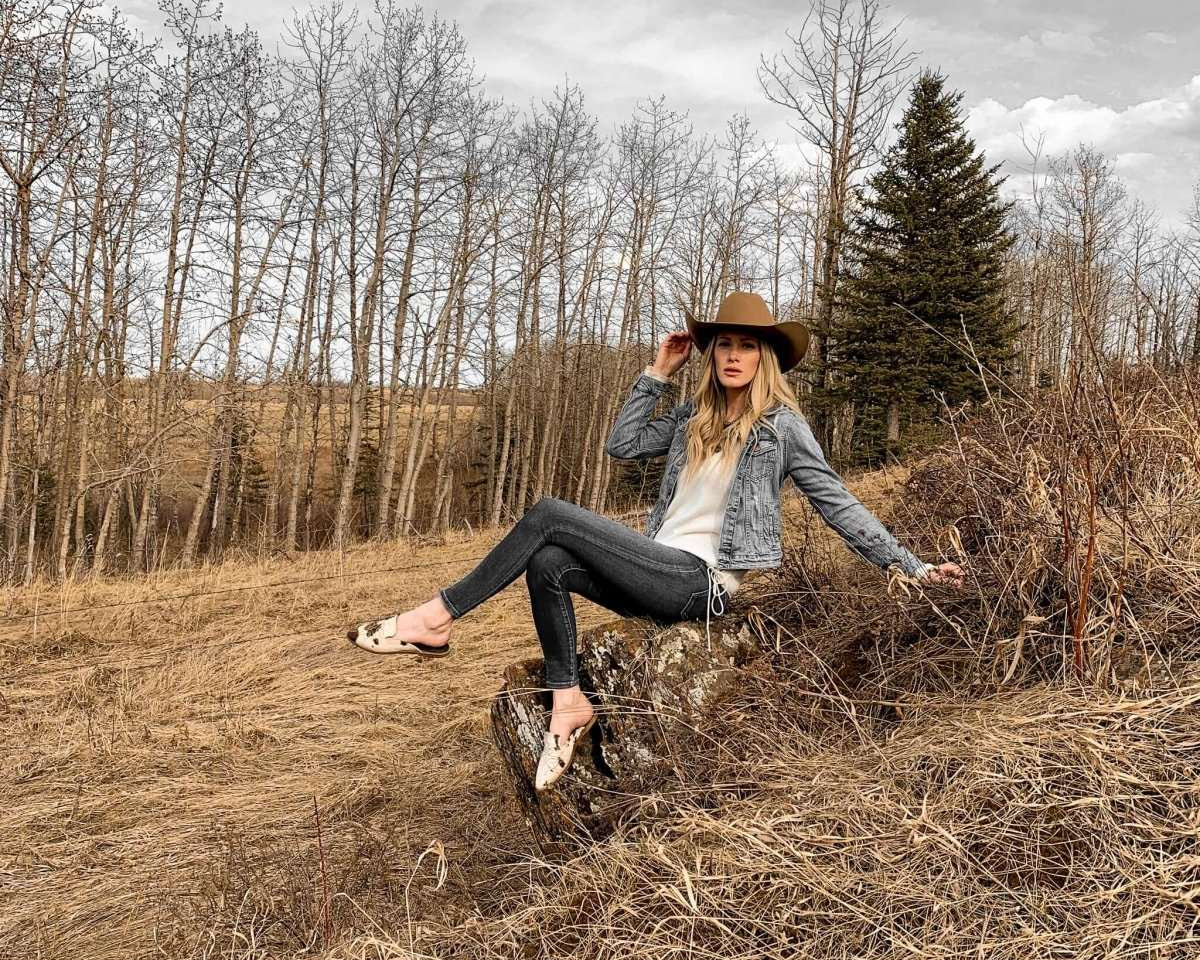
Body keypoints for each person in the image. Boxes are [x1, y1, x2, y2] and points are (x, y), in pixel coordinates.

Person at [346, 291, 966, 791]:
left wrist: (908, 564)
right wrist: (656, 373)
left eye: (746, 347)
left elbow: (839, 503)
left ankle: (434, 617)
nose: (732, 356)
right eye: (724, 344)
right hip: (656, 572)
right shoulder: (691, 420)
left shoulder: (784, 429)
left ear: (764, 358)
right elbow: (620, 445)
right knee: (551, 559)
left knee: (549, 515)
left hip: (701, 584)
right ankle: (569, 702)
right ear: (711, 353)